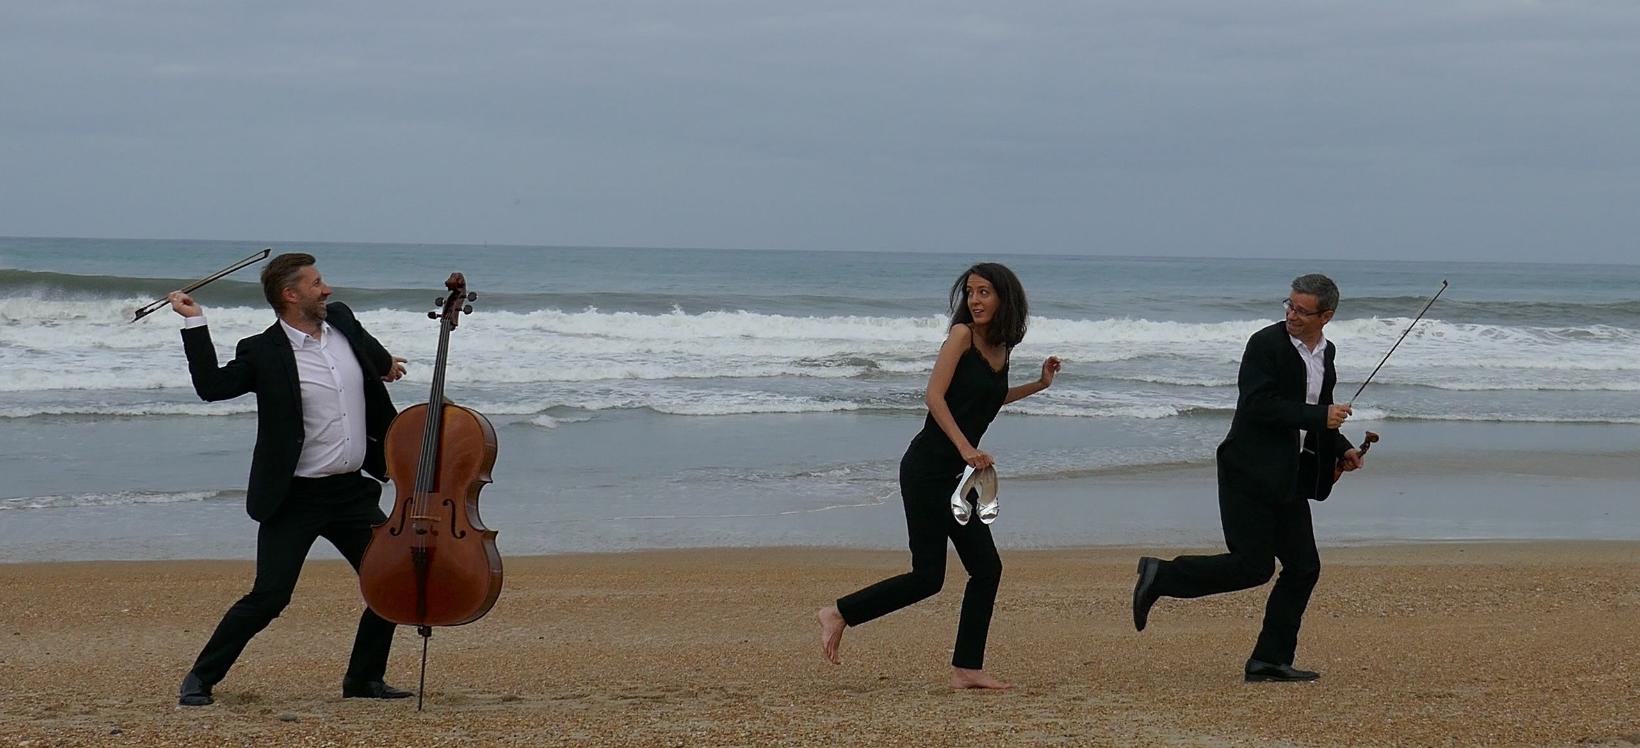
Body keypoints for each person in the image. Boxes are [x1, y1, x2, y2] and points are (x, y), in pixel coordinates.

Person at [170, 252, 413, 706]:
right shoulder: (263, 352)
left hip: (352, 492)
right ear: (291, 294)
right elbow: (212, 387)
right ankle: (200, 679)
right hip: (294, 496)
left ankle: (363, 680)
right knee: (269, 597)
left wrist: (384, 366)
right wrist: (194, 322)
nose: (328, 289)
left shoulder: (341, 321)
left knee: (391, 582)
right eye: (317, 282)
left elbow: (372, 356)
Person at [816, 262, 1061, 690]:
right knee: (927, 577)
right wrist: (967, 448)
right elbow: (933, 395)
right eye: (970, 292)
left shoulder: (1002, 347)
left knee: (986, 569)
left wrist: (1039, 385)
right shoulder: (962, 335)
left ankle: (967, 667)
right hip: (927, 469)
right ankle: (838, 613)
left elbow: (989, 398)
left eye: (984, 292)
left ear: (1005, 297)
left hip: (955, 474)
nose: (975, 301)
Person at [1131, 273, 1365, 682]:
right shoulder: (1265, 344)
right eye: (1288, 305)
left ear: (1325, 316)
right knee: (1252, 567)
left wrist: (1340, 445)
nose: (1291, 314)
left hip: (1289, 476)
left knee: (1304, 567)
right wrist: (1318, 417)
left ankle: (1269, 660)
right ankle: (1161, 575)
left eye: (1301, 310)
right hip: (1247, 469)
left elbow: (1318, 411)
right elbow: (1259, 405)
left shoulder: (1326, 354)